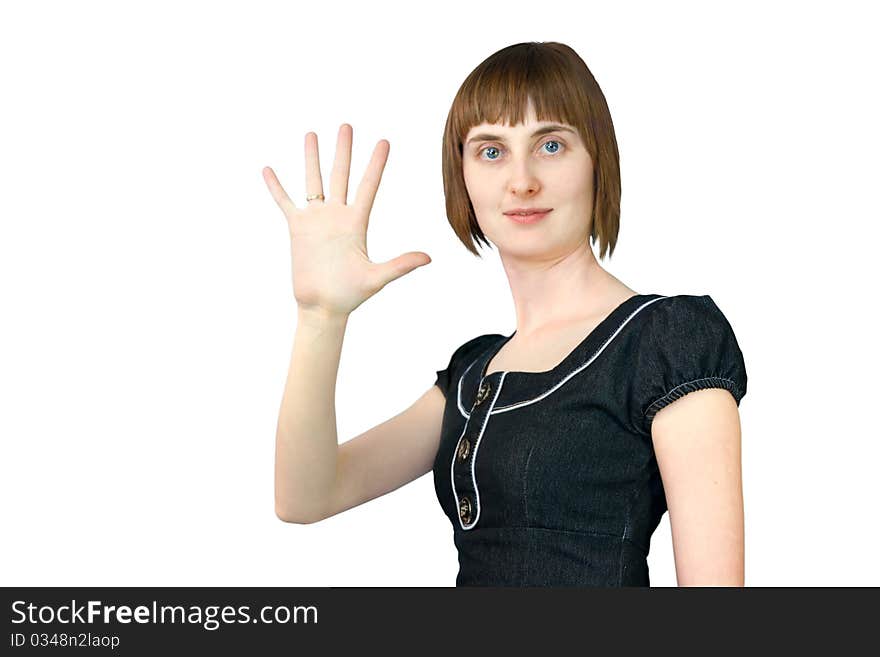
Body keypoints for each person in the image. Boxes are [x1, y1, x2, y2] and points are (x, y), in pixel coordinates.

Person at [263, 41, 748, 587]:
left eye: (551, 144)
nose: (521, 180)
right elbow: (306, 496)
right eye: (491, 151)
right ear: (463, 177)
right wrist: (320, 318)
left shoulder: (667, 341)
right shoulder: (473, 373)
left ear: (597, 162)